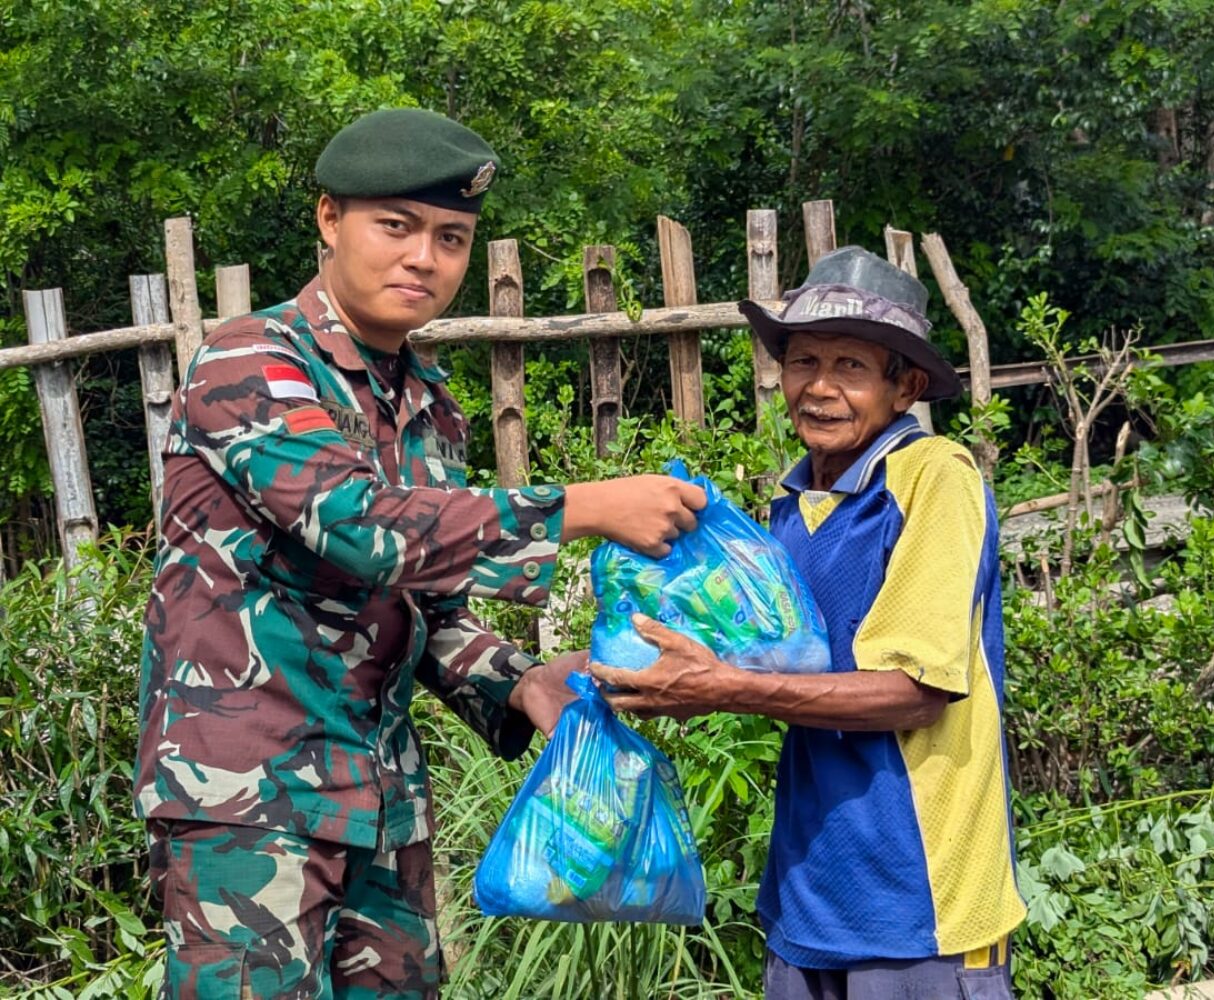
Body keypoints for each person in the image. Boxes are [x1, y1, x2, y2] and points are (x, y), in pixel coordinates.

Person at [133, 107, 705, 999]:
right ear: (330, 220)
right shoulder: (250, 361)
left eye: (451, 237)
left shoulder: (428, 404)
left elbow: (424, 603)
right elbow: (360, 526)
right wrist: (585, 508)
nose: (423, 258)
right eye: (394, 226)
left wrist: (520, 682)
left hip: (378, 801)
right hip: (249, 801)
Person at [592, 246, 1027, 1000]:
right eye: (802, 362)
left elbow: (913, 694)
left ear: (906, 385)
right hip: (808, 893)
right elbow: (743, 662)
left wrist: (725, 687)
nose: (819, 388)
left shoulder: (934, 478)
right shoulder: (791, 510)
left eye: (851, 367)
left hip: (917, 903)